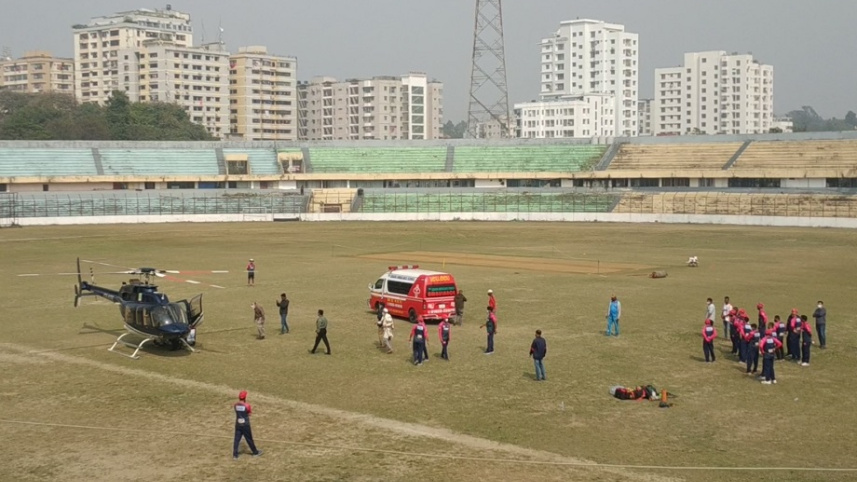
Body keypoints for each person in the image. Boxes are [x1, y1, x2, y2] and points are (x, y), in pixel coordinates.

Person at [232, 390, 263, 459]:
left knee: (236, 439)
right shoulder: (247, 405)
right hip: (245, 425)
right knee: (249, 439)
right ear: (245, 398)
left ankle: (235, 455)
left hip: (238, 424)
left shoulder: (235, 405)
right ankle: (255, 452)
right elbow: (249, 413)